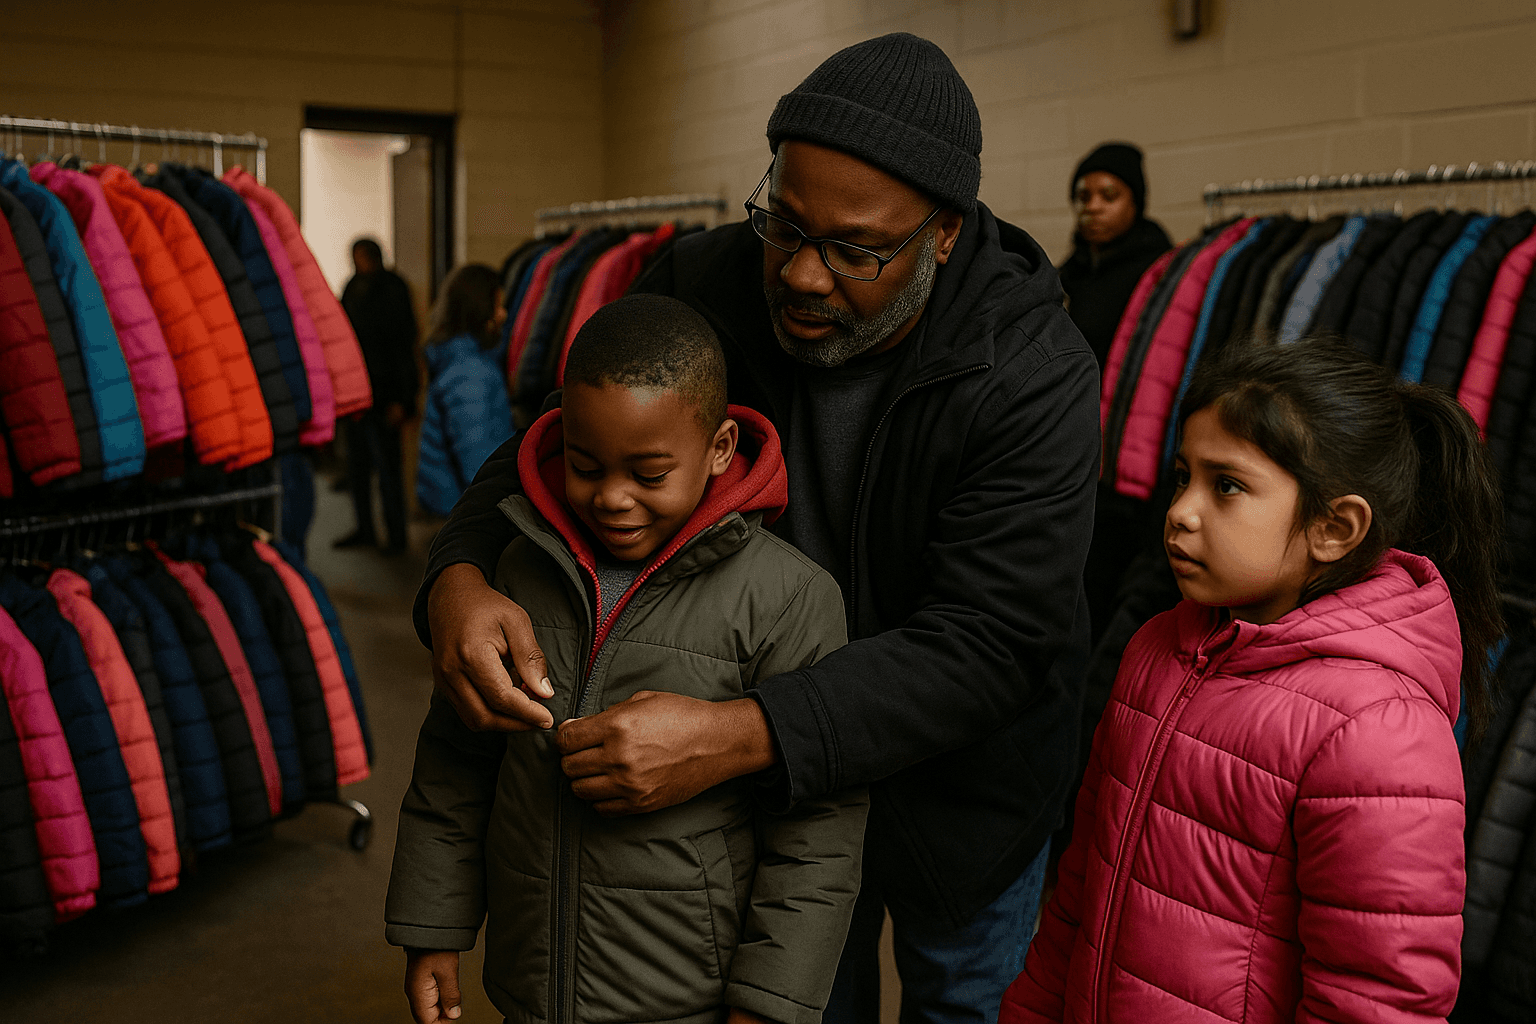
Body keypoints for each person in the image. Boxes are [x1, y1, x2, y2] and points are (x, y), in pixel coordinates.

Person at [415, 32, 1099, 1024]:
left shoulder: (1032, 367)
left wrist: (740, 733)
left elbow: (989, 642)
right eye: (785, 224)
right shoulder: (704, 281)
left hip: (965, 794)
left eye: (856, 250)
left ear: (944, 234)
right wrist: (459, 573)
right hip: (775, 795)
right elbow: (559, 443)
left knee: (967, 997)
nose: (807, 276)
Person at [386, 293, 868, 1024]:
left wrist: (769, 1002)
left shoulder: (789, 600)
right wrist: (432, 929)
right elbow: (454, 766)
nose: (612, 499)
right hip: (531, 987)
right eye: (585, 466)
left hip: (689, 1001)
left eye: (647, 475)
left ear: (720, 449)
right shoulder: (516, 574)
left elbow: (818, 837)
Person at [1001, 338, 1494, 1023]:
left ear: (1334, 527)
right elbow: (1080, 893)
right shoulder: (1157, 649)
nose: (1182, 511)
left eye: (1226, 485)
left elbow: (1379, 1002)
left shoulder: (1378, 728)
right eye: (1183, 476)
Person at [1057, 142, 1172, 367]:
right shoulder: (1069, 272)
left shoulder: (1160, 272)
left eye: (1109, 196)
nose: (1092, 207)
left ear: (1135, 204)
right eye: (1083, 197)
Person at [337, 237, 419, 553]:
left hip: (386, 395)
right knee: (357, 467)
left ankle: (396, 536)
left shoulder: (393, 289)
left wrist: (403, 399)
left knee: (388, 470)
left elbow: (402, 348)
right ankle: (365, 529)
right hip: (358, 394)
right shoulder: (353, 287)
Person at [415, 263, 514, 518]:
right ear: (478, 308)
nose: (503, 314)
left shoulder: (460, 356)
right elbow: (476, 456)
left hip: (455, 499)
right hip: (467, 506)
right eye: (497, 305)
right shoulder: (469, 370)